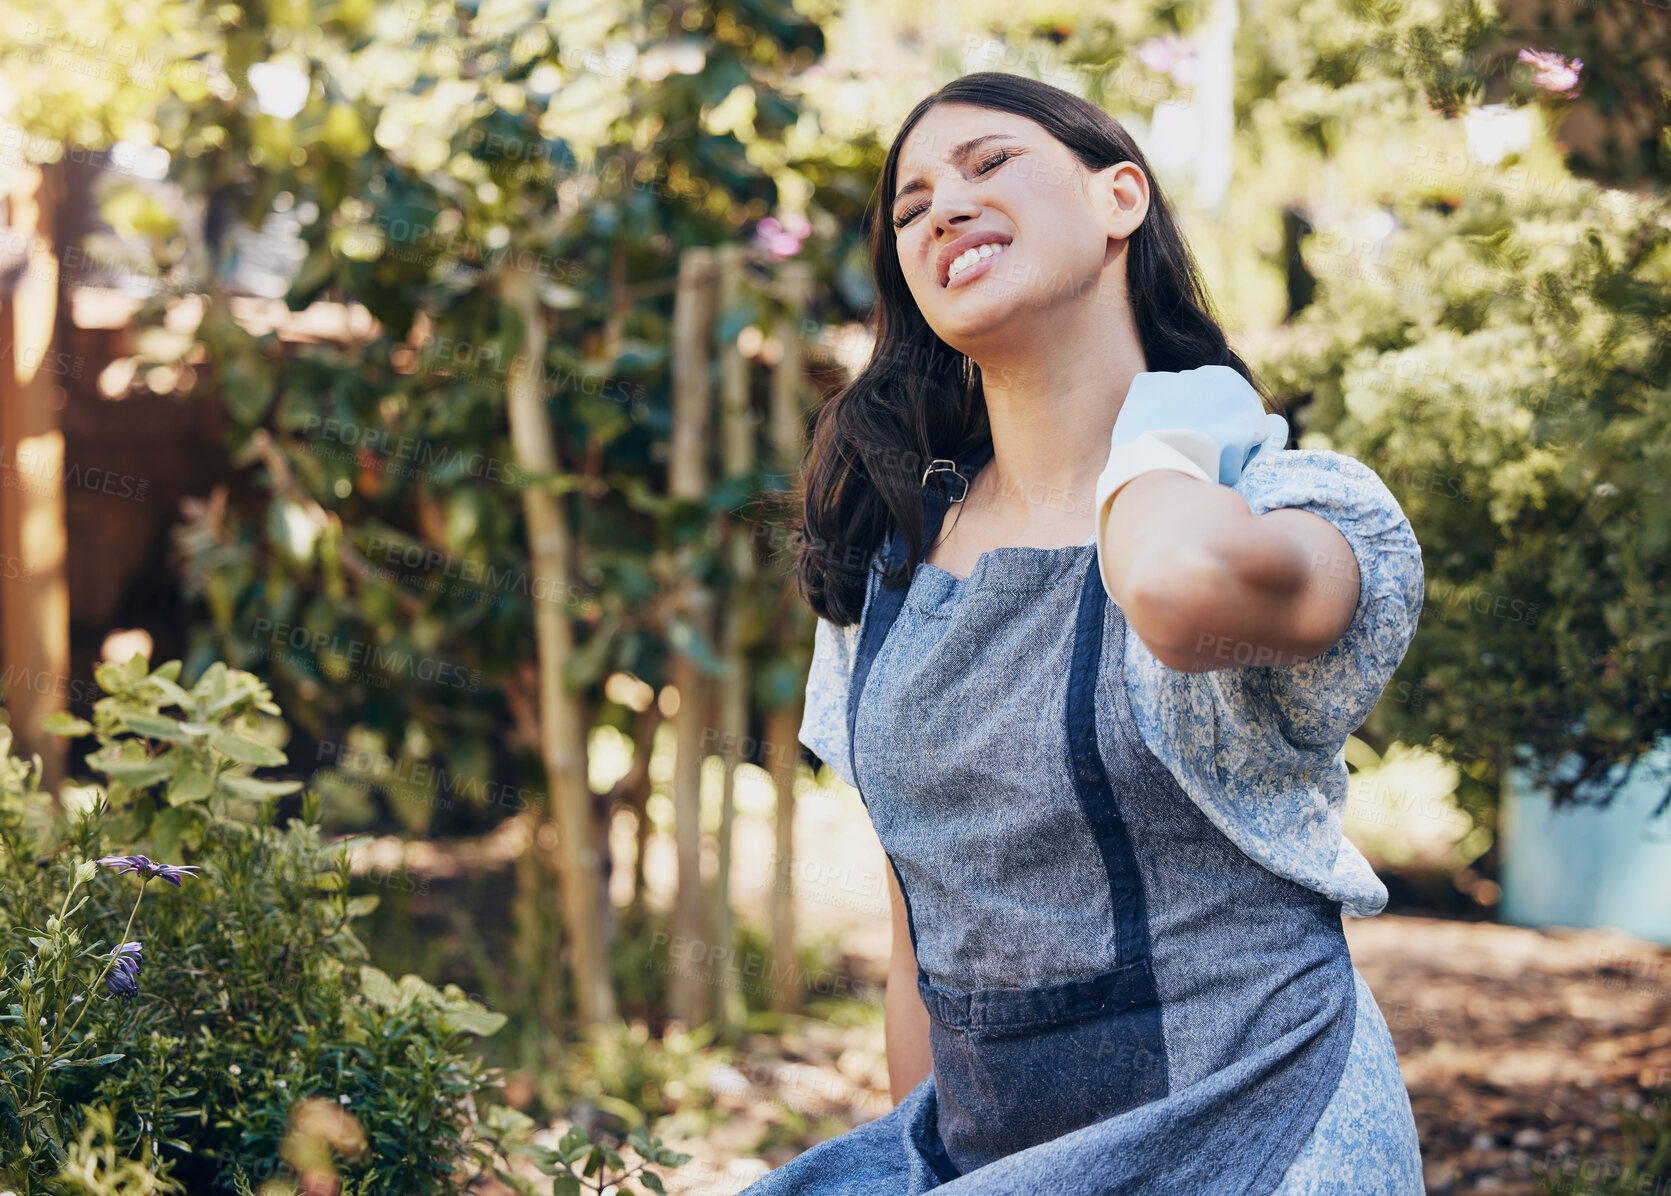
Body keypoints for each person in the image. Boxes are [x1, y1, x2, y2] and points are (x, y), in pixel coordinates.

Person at [748, 72, 1427, 1194]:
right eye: (909, 209)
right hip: (996, 1149)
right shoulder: (892, 568)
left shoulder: (1292, 502)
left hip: (1256, 1127)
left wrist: (1169, 432)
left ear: (1122, 196)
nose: (941, 210)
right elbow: (927, 933)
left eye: (987, 164)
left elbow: (1170, 581)